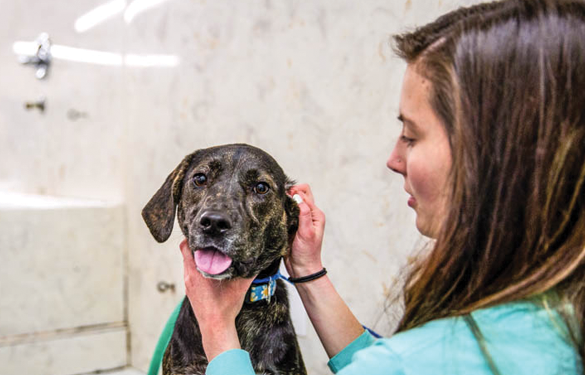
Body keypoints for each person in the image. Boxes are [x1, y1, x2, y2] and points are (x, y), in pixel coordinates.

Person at [178, 0, 585, 373]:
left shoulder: (440, 356)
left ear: (496, 155)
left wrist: (216, 327)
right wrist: (307, 271)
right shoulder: (556, 319)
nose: (393, 159)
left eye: (411, 135)